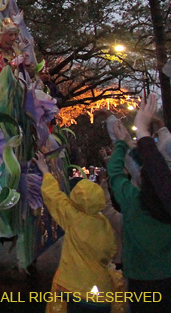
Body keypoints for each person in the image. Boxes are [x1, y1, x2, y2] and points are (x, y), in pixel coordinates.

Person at [34, 151, 118, 313]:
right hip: (102, 293)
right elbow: (111, 250)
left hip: (76, 290)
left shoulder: (73, 218)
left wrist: (45, 171)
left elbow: (54, 196)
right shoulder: (104, 224)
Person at [107, 102, 171, 313]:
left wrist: (120, 144)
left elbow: (115, 173)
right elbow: (156, 173)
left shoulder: (132, 200)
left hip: (139, 279)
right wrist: (129, 140)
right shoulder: (165, 201)